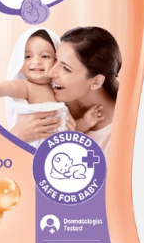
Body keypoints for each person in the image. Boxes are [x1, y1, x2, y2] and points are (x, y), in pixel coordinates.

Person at [0, 28, 103, 148]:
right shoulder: (27, 87)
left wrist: (85, 122)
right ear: (19, 64)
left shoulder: (60, 93)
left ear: (57, 61)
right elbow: (10, 87)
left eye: (45, 56)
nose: (36, 61)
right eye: (28, 56)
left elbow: (66, 129)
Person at [47, 26, 121, 154]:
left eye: (66, 68)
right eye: (55, 60)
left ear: (96, 82)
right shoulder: (54, 105)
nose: (51, 73)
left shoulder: (120, 135)